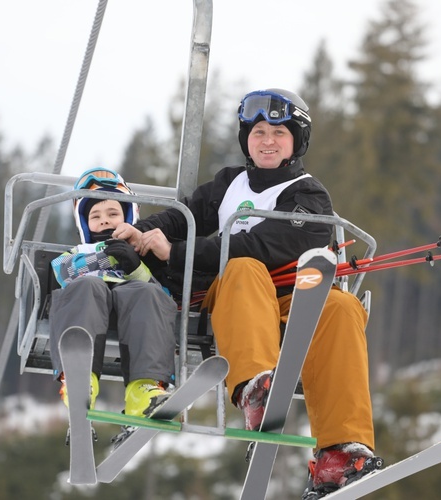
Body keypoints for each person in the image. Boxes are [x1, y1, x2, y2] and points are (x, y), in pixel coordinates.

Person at [112, 89, 382, 497]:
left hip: (294, 298)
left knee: (342, 307)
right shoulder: (228, 184)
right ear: (246, 139)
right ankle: (258, 387)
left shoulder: (309, 196)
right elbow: (183, 216)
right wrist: (146, 233)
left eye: (278, 132)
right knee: (241, 270)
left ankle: (340, 452)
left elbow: (265, 244)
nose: (267, 140)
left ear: (296, 141)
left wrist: (181, 253)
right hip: (238, 295)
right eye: (258, 132)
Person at [49, 167, 178, 419]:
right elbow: (63, 272)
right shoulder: (77, 253)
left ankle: (143, 389)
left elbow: (159, 295)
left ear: (128, 217)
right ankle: (80, 378)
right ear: (84, 223)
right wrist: (104, 257)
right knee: (88, 286)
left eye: (113, 213)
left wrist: (134, 265)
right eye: (95, 215)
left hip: (130, 306)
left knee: (146, 291)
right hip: (89, 302)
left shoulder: (141, 257)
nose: (105, 220)